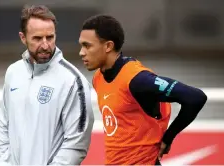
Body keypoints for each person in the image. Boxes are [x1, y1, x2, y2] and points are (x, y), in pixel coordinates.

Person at [78, 15, 207, 165]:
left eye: (87, 46)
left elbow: (195, 97)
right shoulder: (98, 78)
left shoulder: (138, 79)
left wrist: (168, 137)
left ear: (108, 46)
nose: (81, 52)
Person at [0, 5, 94, 165]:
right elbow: (3, 125)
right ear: (23, 37)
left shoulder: (73, 81)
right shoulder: (13, 72)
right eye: (37, 38)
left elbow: (76, 144)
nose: (46, 45)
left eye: (50, 37)